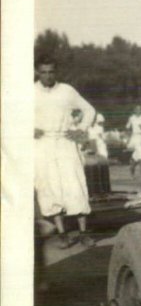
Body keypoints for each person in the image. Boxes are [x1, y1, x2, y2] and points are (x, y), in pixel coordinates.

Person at [34, 55, 97, 249]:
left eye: (51, 71)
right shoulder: (29, 92)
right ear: (37, 72)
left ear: (56, 72)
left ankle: (84, 233)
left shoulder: (67, 91)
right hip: (43, 144)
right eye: (43, 72)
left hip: (65, 141)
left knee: (74, 184)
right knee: (50, 187)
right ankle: (62, 234)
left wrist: (81, 129)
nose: (47, 76)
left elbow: (89, 110)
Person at [125, 104, 141, 177]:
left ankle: (132, 167)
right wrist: (128, 137)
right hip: (135, 136)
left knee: (137, 155)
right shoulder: (132, 117)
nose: (138, 111)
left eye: (140, 109)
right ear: (134, 110)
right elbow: (127, 127)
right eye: (137, 109)